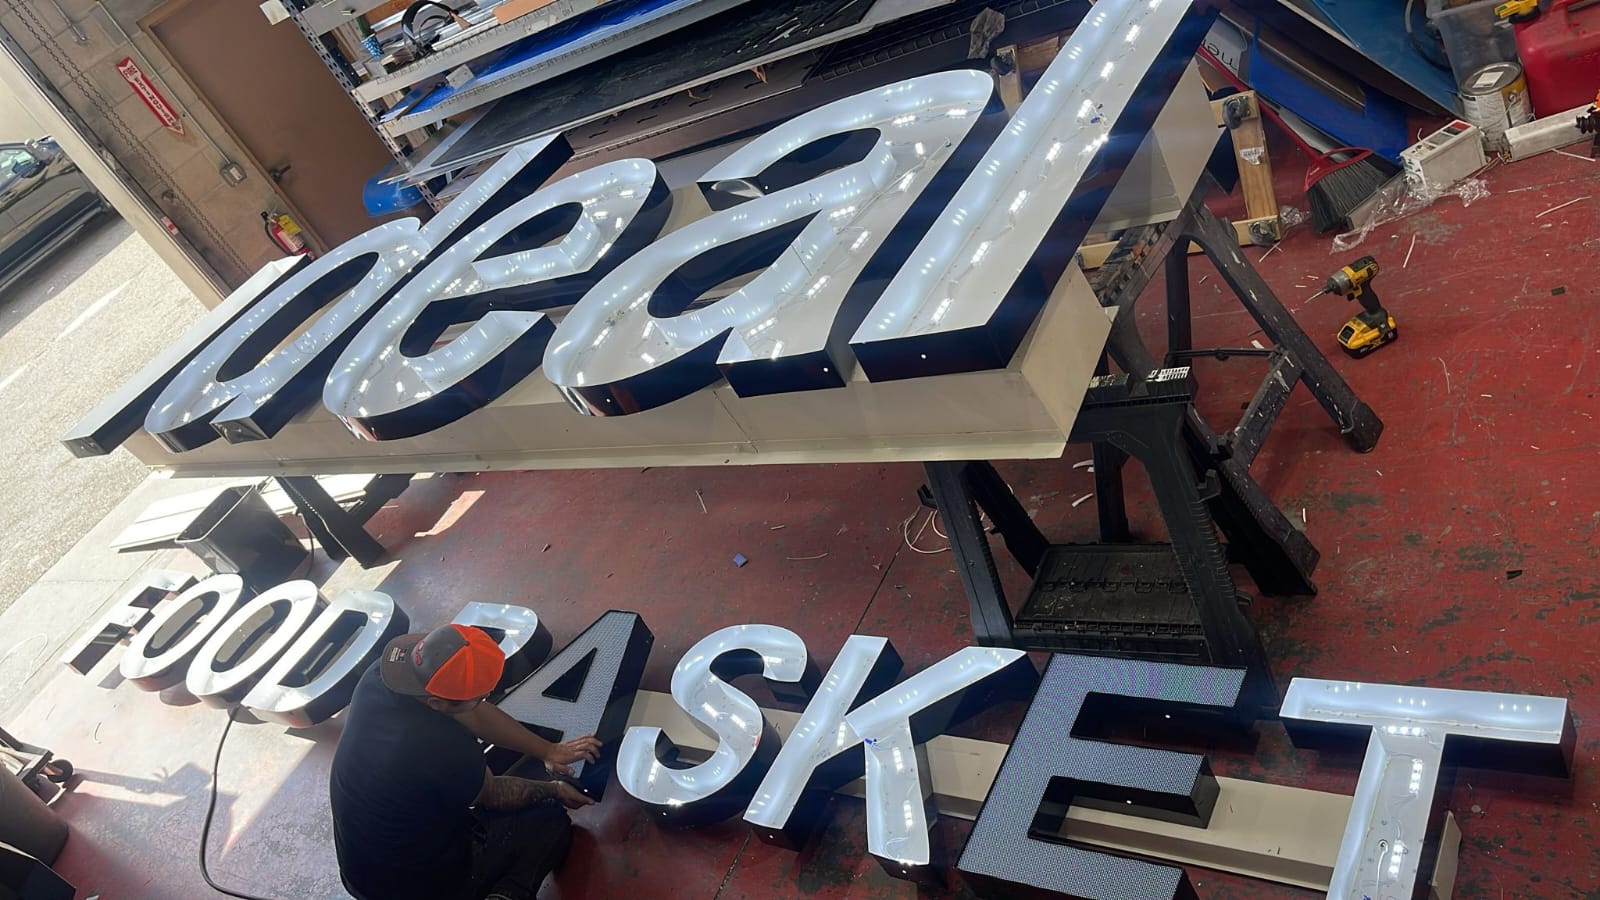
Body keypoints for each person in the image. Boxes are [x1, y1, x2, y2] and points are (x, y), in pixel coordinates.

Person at [329, 623, 601, 900]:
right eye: (479, 697)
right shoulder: (435, 744)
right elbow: (494, 794)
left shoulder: (383, 676)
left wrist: (549, 751)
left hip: (361, 868)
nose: (484, 700)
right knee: (548, 822)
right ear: (437, 704)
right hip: (413, 887)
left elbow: (475, 714)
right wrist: (555, 790)